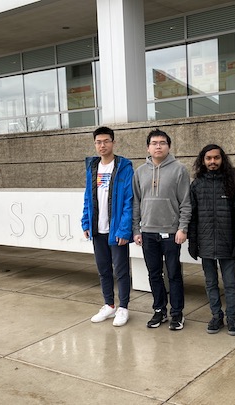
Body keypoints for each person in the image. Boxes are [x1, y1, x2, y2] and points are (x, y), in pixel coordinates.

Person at [132, 129, 191, 331]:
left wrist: (183, 228)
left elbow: (185, 202)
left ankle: (177, 313)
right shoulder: (140, 171)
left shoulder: (179, 169)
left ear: (169, 146)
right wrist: (136, 229)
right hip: (147, 232)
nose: (158, 146)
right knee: (154, 273)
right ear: (148, 147)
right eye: (154, 143)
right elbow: (136, 203)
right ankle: (159, 310)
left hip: (171, 232)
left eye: (163, 143)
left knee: (174, 274)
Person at [188, 144, 235, 336]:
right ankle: (216, 316)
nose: (213, 162)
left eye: (216, 158)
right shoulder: (197, 184)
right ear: (203, 161)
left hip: (227, 243)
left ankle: (232, 318)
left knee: (230, 283)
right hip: (205, 244)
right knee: (210, 282)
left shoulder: (233, 181)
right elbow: (192, 216)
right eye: (209, 158)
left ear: (222, 159)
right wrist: (193, 241)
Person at [82, 126, 134, 327]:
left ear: (113, 142)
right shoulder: (93, 167)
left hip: (116, 230)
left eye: (106, 141)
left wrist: (124, 230)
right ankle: (109, 305)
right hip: (97, 229)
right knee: (103, 269)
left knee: (120, 270)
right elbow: (88, 197)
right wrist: (86, 222)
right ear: (95, 144)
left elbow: (129, 200)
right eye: (98, 142)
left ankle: (123, 308)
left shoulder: (124, 167)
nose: (102, 145)